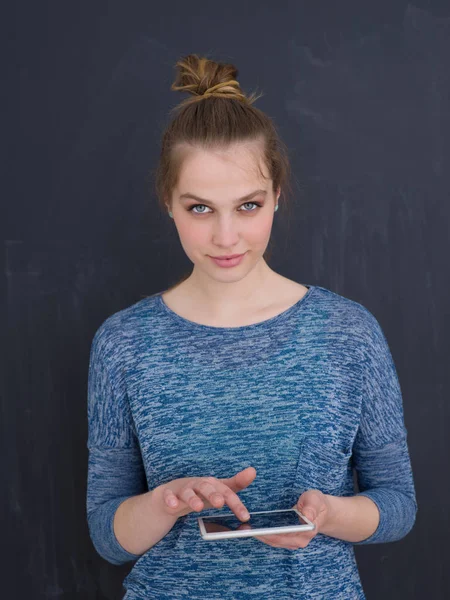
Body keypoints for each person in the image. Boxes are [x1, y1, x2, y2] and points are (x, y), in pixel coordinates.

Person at [86, 53, 417, 599]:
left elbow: (398, 504)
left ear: (277, 196)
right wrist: (167, 501)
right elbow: (108, 535)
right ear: (167, 202)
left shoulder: (347, 332)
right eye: (199, 208)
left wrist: (328, 514)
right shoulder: (123, 342)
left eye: (247, 205)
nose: (226, 237)